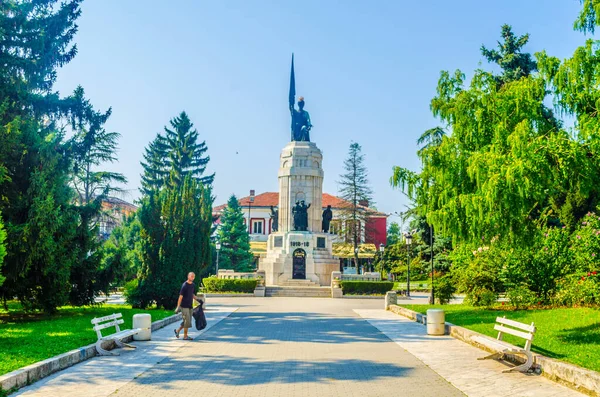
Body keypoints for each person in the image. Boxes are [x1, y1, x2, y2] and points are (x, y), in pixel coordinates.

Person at [174, 272, 198, 340]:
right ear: (188, 276)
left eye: (193, 276)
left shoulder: (193, 285)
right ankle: (185, 336)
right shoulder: (184, 285)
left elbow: (192, 294)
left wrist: (197, 299)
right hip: (184, 306)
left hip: (190, 306)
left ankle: (177, 331)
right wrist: (178, 307)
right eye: (191, 276)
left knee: (187, 321)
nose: (192, 278)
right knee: (187, 321)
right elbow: (180, 297)